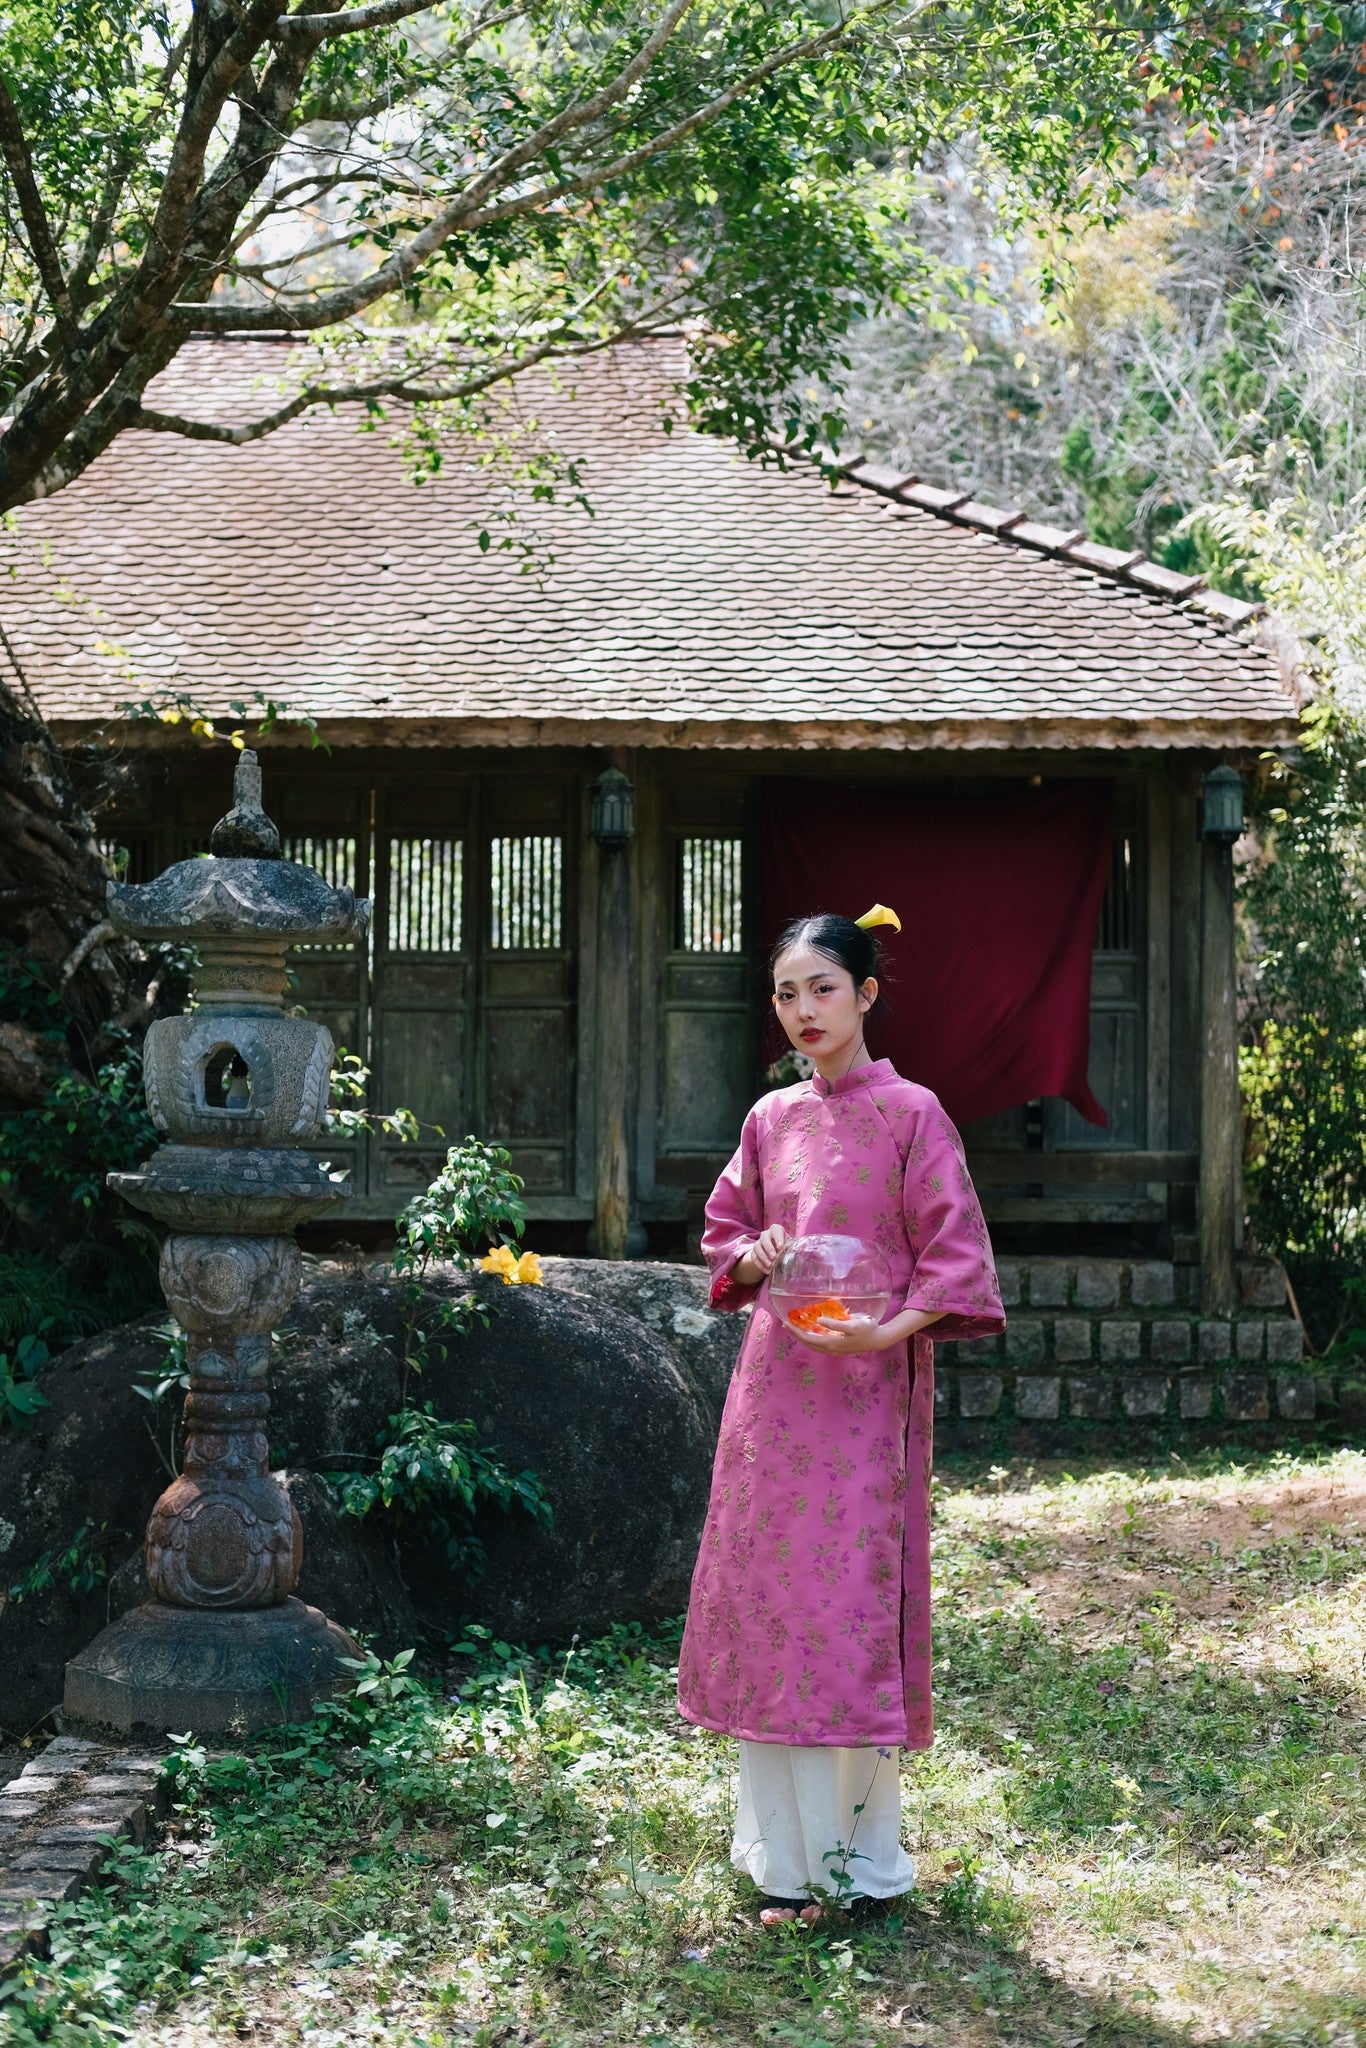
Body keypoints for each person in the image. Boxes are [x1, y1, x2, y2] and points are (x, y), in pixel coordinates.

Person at [676, 907, 1005, 1927]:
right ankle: (781, 1862)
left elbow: (954, 1253)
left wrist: (884, 1334)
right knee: (771, 1603)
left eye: (822, 986)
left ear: (865, 993)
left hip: (866, 1397)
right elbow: (724, 1231)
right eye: (785, 991)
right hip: (774, 1391)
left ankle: (856, 1867)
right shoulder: (770, 1120)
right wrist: (754, 1254)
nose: (802, 1009)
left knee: (840, 1611)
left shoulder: (913, 1112)